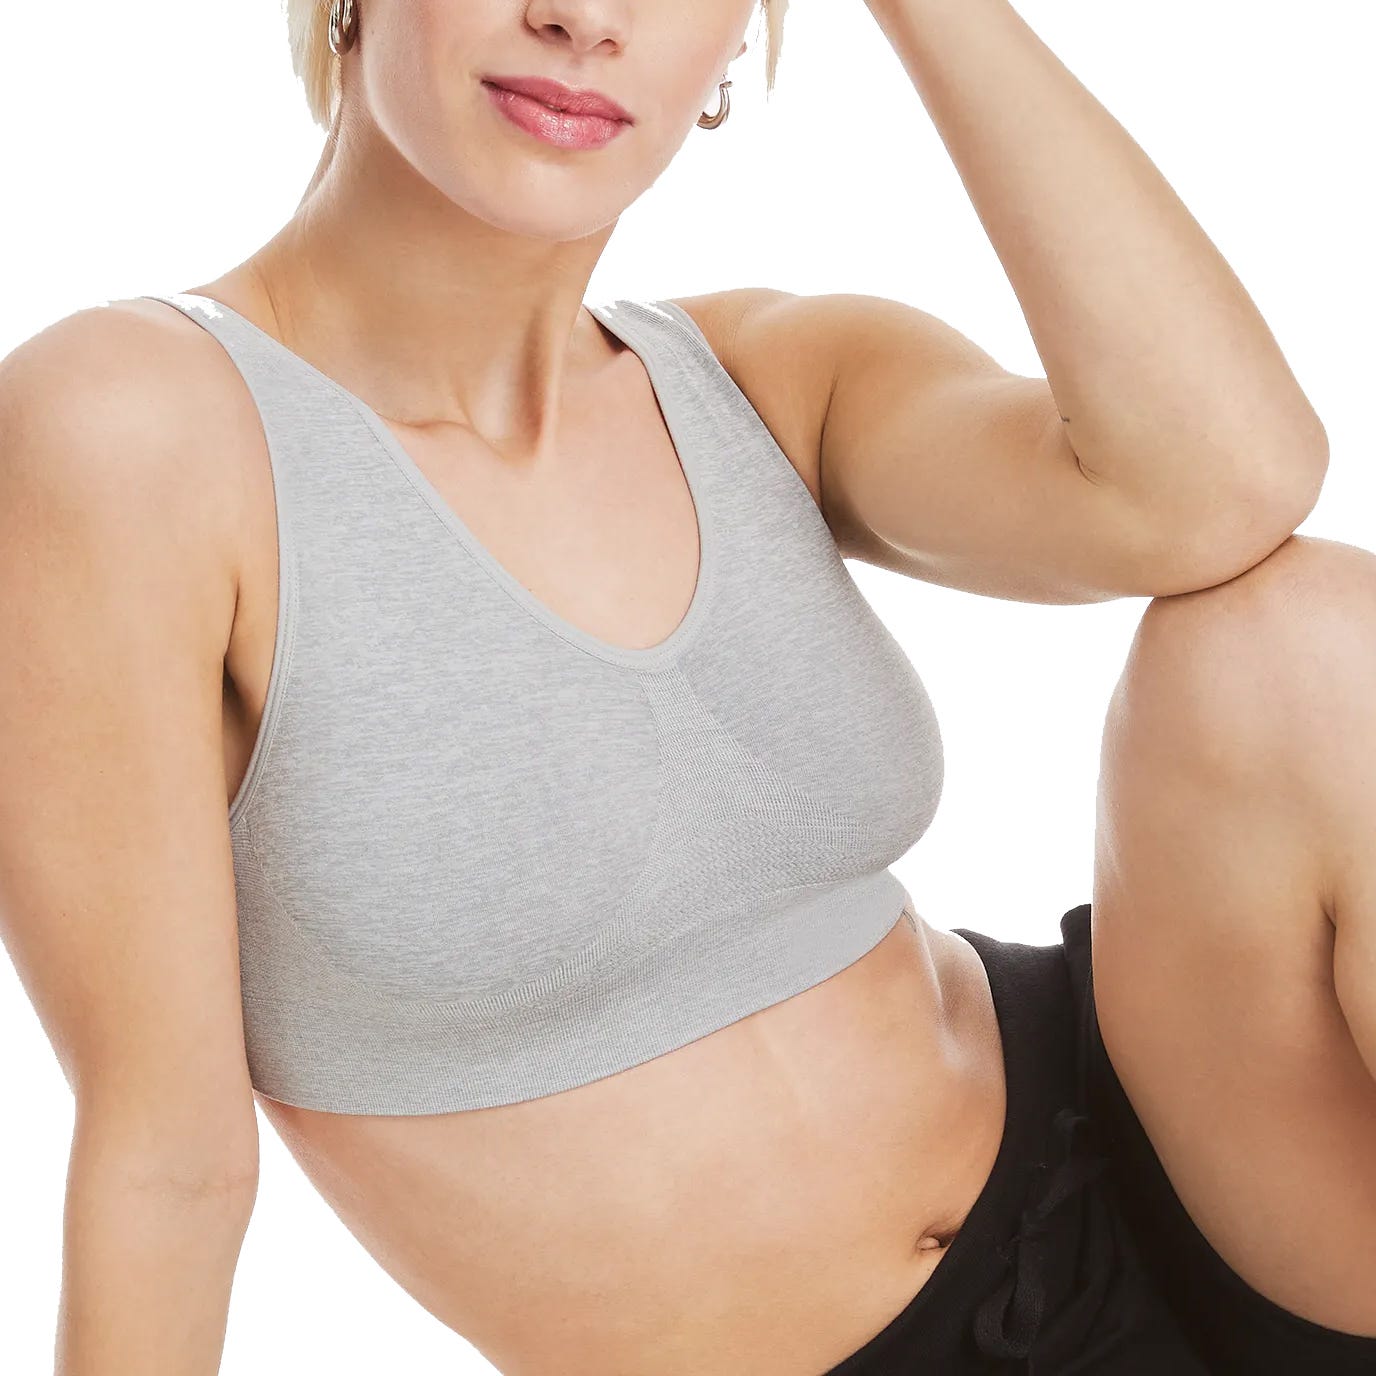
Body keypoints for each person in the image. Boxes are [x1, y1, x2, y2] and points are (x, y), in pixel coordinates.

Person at [2, 1, 1374, 1372]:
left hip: (1192, 1152)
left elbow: (1221, 489)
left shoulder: (765, 377)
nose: (584, 18)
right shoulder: (132, 431)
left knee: (1296, 632)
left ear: (733, 43)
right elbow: (166, 1163)